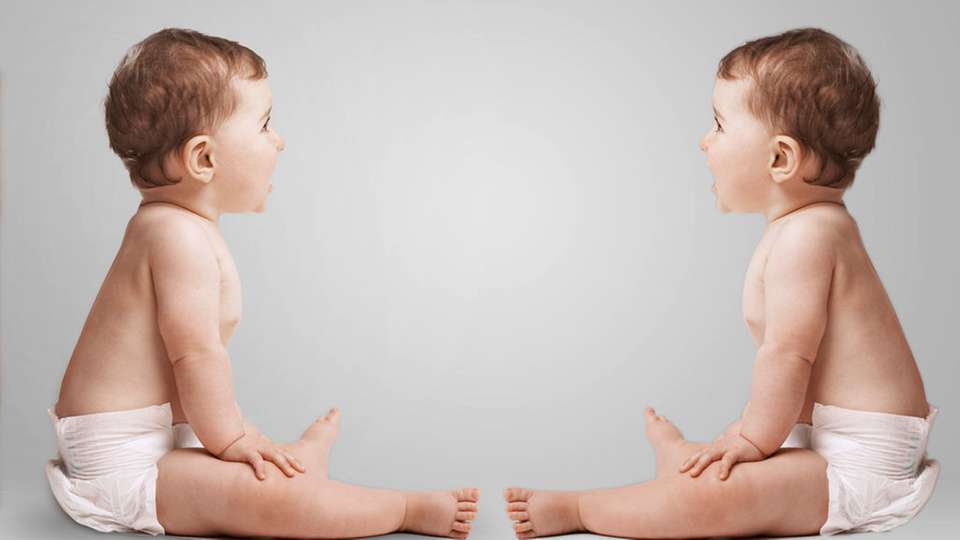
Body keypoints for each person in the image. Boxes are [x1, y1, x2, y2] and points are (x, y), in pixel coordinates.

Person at [503, 27, 938, 538]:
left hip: (859, 466)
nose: (704, 140)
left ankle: (582, 510)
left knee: (721, 498)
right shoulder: (805, 229)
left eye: (719, 125)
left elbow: (787, 355)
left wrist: (751, 440)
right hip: (815, 444)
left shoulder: (810, 236)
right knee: (721, 473)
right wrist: (748, 441)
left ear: (780, 159)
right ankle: (683, 460)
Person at [47, 28, 478, 538]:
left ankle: (296, 465)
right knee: (263, 500)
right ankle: (402, 510)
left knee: (258, 476)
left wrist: (237, 443)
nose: (280, 139)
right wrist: (234, 440)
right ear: (204, 159)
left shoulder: (178, 227)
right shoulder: (174, 236)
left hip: (164, 441)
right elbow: (196, 357)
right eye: (265, 124)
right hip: (123, 464)